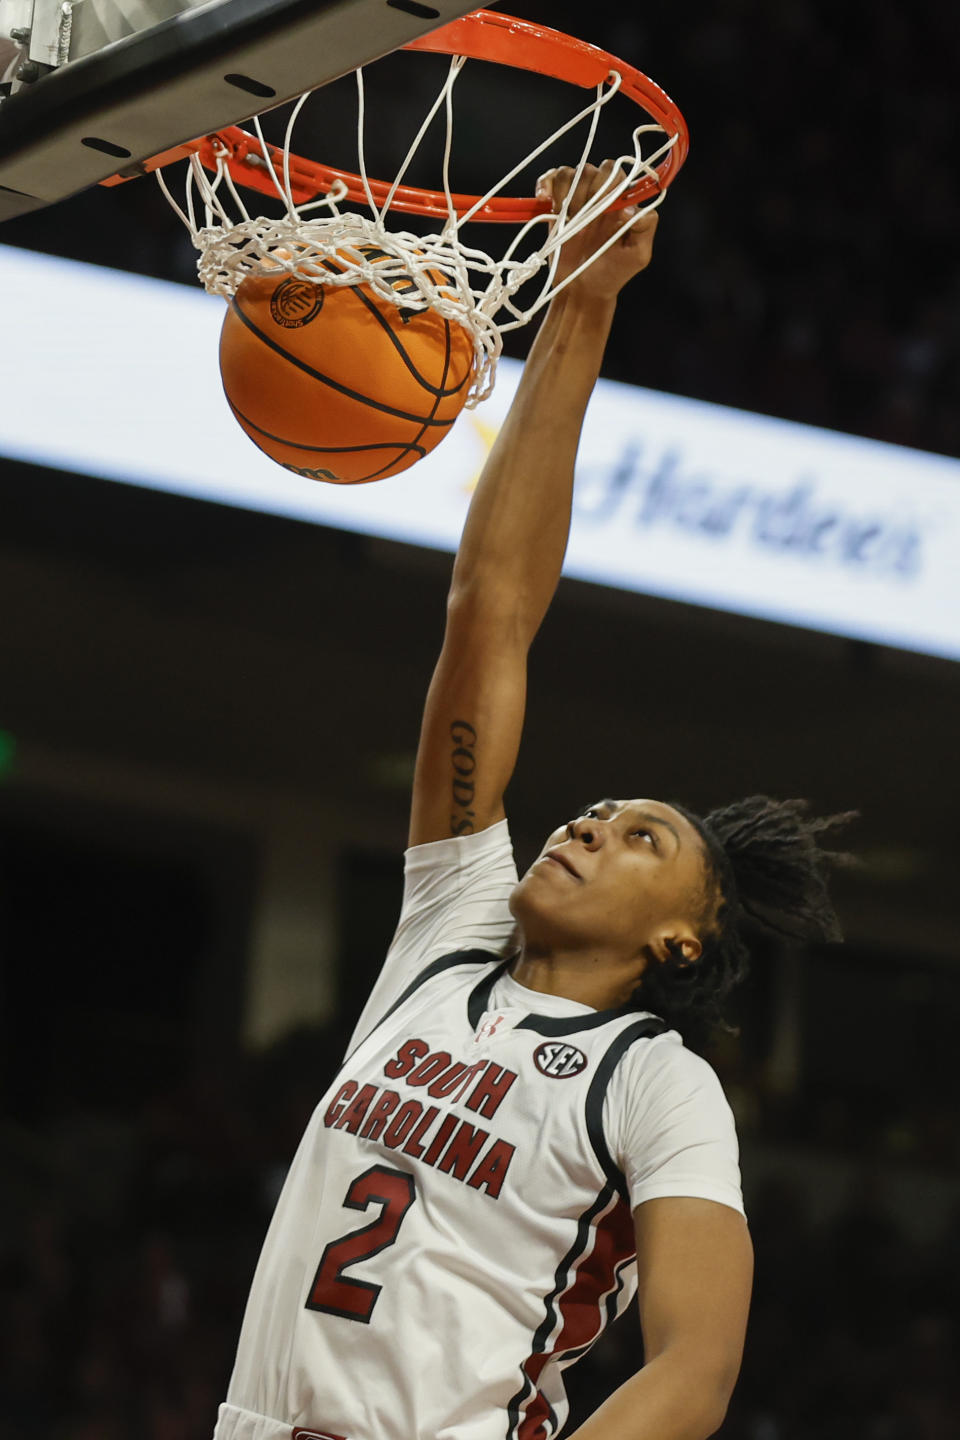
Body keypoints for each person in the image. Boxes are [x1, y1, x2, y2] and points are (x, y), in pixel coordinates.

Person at [215, 164, 849, 1440]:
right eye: (598, 809)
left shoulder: (658, 1084)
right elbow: (491, 614)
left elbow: (694, 1371)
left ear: (684, 937)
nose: (586, 825)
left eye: (640, 837)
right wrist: (581, 304)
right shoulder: (450, 941)